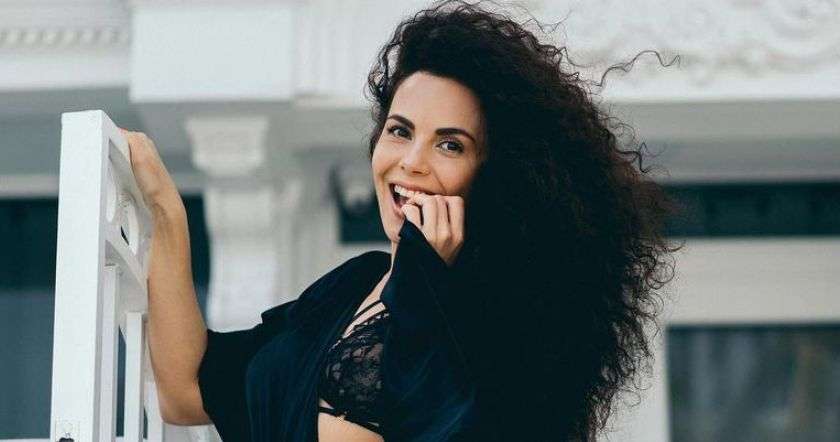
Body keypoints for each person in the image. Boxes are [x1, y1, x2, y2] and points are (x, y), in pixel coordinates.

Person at [124, 1, 682, 440]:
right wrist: (168, 212)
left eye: (450, 144)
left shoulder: (509, 315)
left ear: (498, 176)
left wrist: (425, 282)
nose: (411, 162)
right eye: (400, 130)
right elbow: (186, 392)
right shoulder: (351, 288)